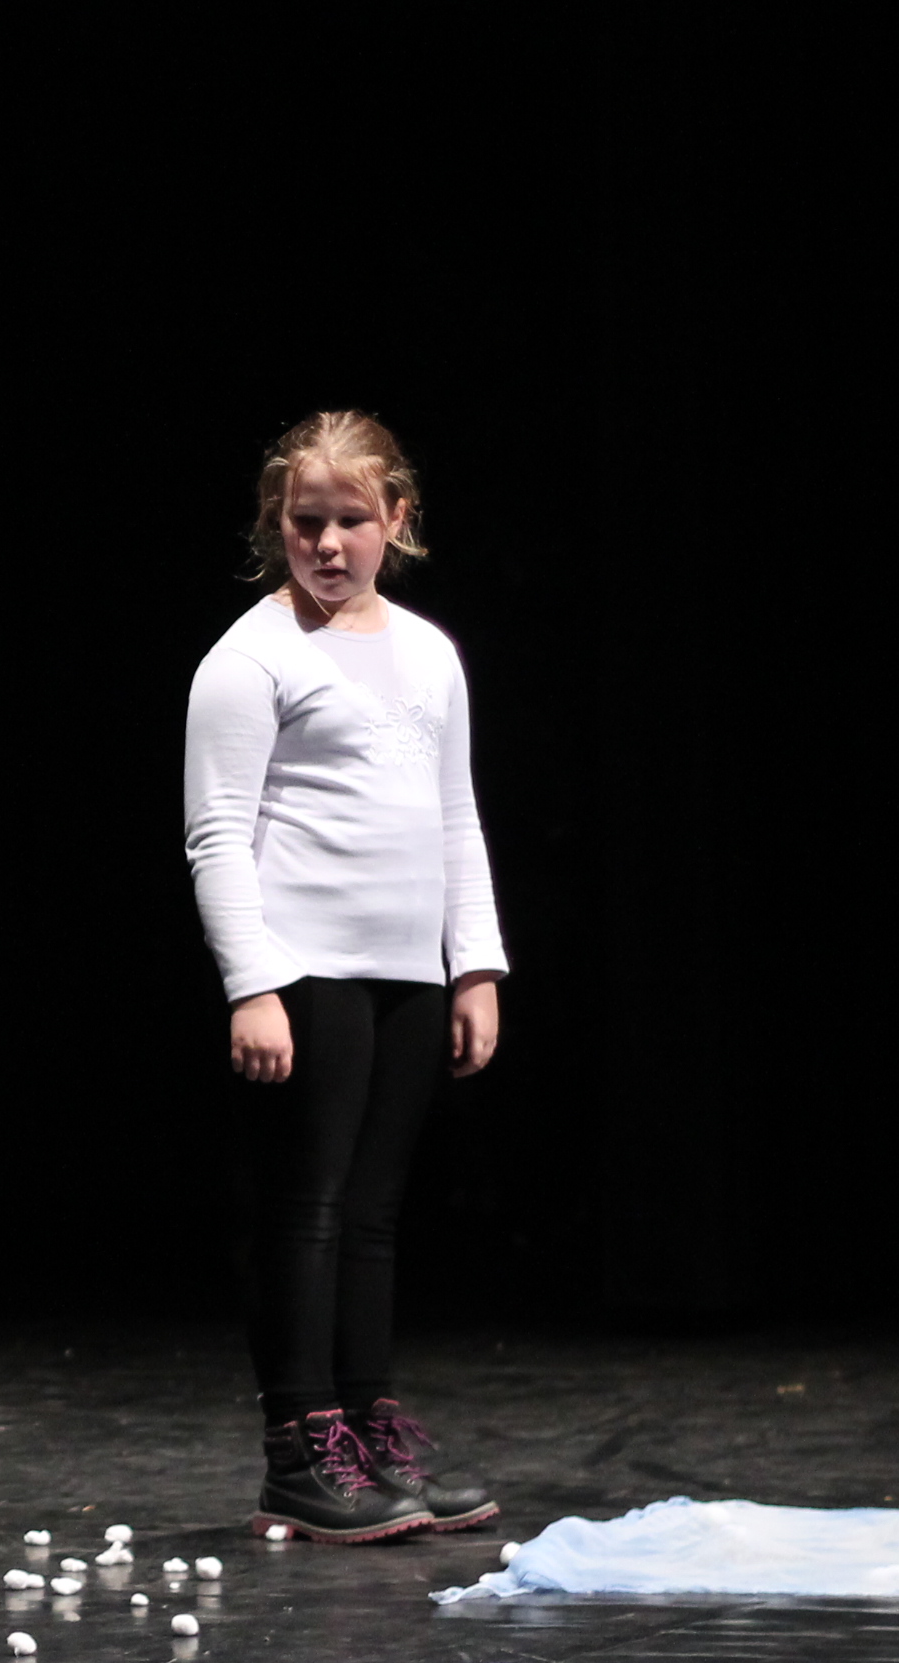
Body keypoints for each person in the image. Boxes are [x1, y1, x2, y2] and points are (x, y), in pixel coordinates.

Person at [182, 410, 508, 1543]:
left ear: (395, 519)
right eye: (305, 521)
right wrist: (251, 984)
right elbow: (217, 833)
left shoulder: (428, 652)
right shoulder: (251, 656)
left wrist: (474, 964)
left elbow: (455, 812)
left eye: (351, 520)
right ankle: (299, 1443)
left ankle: (369, 1423)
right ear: (276, 524)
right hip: (306, 967)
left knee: (370, 1213)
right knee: (306, 1208)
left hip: (407, 965)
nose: (327, 544)